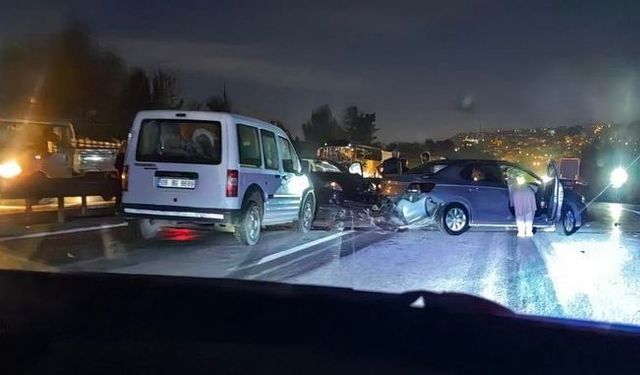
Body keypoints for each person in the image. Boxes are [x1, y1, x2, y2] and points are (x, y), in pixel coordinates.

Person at [508, 171, 537, 237]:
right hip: (528, 195)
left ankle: (521, 232)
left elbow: (511, 192)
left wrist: (512, 204)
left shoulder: (511, 184)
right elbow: (536, 189)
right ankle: (528, 232)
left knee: (519, 213)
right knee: (529, 213)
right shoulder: (530, 181)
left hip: (518, 195)